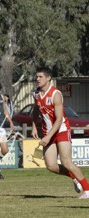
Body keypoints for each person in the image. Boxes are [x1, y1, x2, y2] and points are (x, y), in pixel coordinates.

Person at [32, 67, 88, 198]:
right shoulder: (36, 94)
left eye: (40, 77)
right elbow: (35, 110)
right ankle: (74, 177)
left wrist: (48, 136)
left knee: (66, 161)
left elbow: (59, 119)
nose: (37, 79)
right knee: (51, 165)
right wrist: (34, 126)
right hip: (48, 132)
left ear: (48, 78)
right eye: (37, 77)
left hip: (61, 129)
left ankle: (88, 189)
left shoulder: (55, 94)